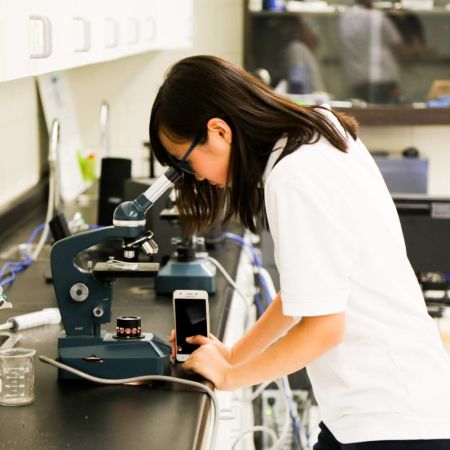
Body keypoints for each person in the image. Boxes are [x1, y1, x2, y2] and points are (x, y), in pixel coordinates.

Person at [149, 55, 450, 449]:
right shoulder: (320, 129)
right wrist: (234, 355)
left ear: (219, 131)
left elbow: (324, 329)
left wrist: (228, 377)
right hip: (391, 404)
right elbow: (304, 294)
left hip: (390, 420)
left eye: (186, 163)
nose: (197, 177)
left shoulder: (292, 178)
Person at [339, 0, 404, 103]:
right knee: (393, 115)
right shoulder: (377, 16)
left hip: (357, 78)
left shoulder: (345, 17)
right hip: (383, 77)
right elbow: (398, 46)